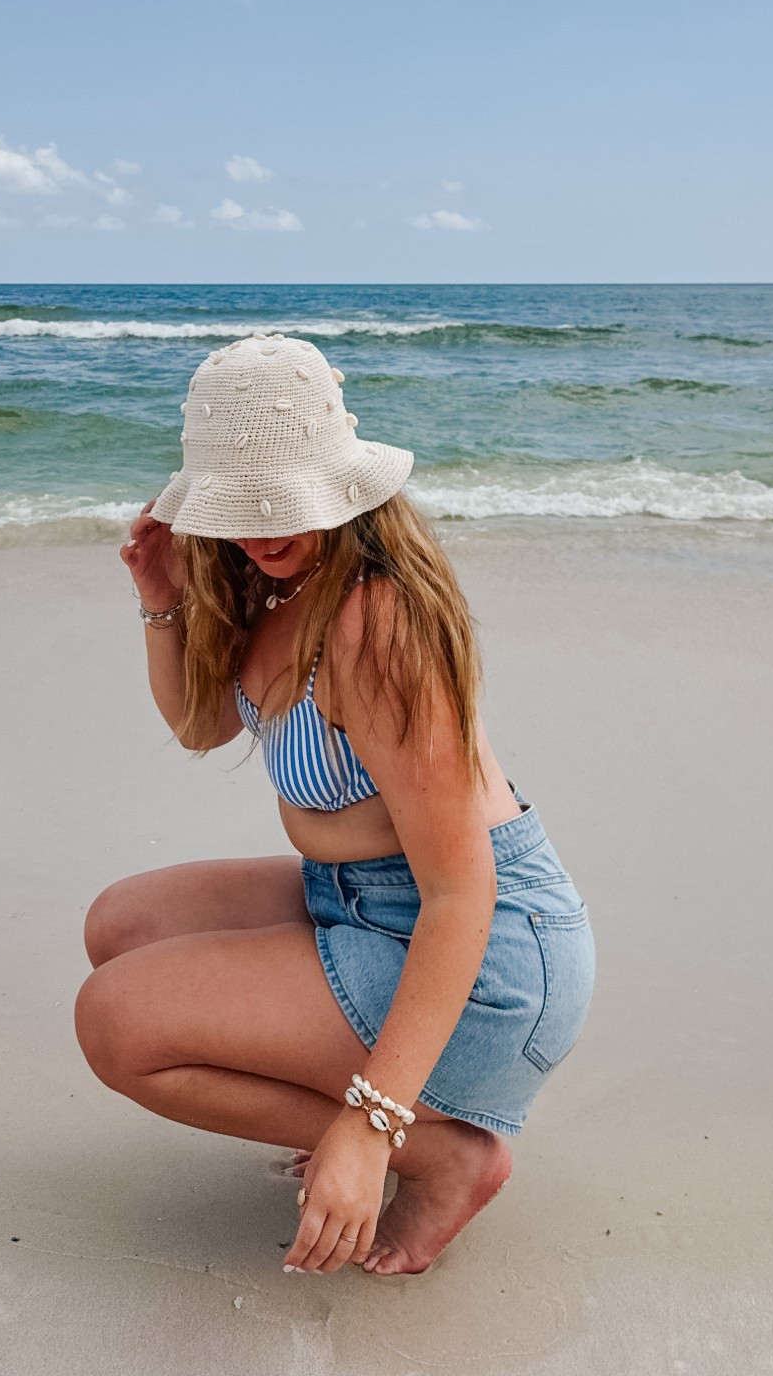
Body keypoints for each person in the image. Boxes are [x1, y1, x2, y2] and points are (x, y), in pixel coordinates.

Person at [76, 334, 594, 1279]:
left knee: (117, 1022)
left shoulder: (377, 621)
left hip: (487, 956)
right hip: (353, 897)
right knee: (120, 926)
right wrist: (162, 600)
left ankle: (443, 1155)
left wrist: (369, 1123)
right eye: (240, 506)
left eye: (285, 501)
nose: (264, 529)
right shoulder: (263, 580)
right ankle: (389, 1115)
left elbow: (460, 893)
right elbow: (202, 727)